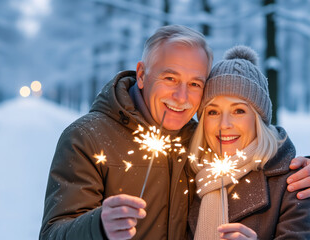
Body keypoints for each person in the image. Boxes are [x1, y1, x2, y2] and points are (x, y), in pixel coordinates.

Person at [40, 25, 310, 240]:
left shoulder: (197, 143)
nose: (181, 97)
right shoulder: (87, 138)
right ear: (143, 74)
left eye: (194, 83)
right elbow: (53, 233)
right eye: (170, 78)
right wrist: (97, 226)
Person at [187, 45, 310, 239]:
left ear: (258, 119)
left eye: (239, 111)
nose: (224, 124)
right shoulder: (184, 178)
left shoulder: (295, 184)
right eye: (213, 112)